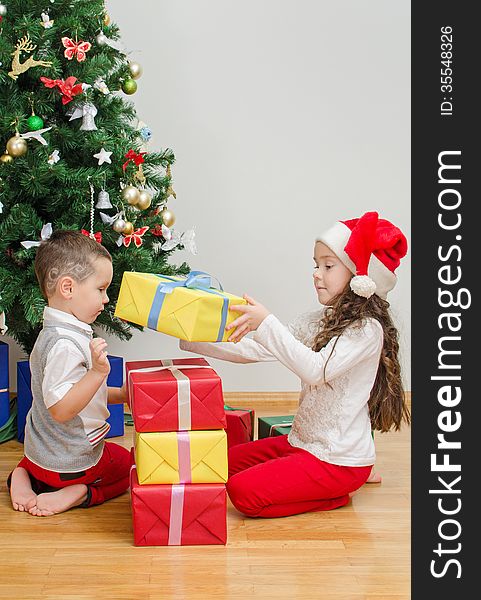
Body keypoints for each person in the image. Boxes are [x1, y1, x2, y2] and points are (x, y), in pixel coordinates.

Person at [180, 211, 410, 518]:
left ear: (360, 276)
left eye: (328, 266)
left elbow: (316, 370)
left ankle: (335, 496)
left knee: (242, 492)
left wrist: (266, 322)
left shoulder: (366, 329)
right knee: (216, 462)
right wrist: (191, 336)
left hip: (337, 461)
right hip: (301, 443)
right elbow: (254, 350)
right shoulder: (318, 321)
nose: (317, 273)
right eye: (316, 265)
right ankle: (313, 484)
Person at [8, 230, 130, 517]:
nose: (106, 299)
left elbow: (77, 395)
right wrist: (98, 373)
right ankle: (81, 493)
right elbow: (63, 410)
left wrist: (121, 395)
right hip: (71, 464)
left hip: (39, 455)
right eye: (101, 289)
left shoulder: (51, 334)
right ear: (68, 288)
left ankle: (22, 476)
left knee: (35, 465)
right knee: (127, 466)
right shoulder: (66, 344)